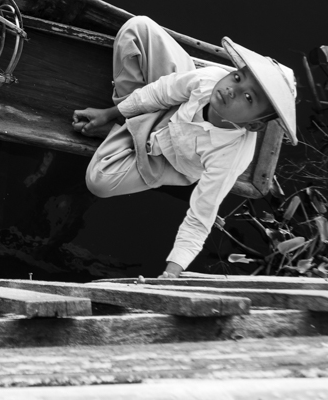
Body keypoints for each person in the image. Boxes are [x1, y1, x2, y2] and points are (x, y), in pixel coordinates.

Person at [72, 16, 297, 278]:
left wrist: (172, 271)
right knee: (138, 27)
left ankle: (127, 129)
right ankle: (126, 122)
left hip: (170, 159)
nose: (231, 89)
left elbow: (201, 217)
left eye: (248, 97)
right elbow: (160, 92)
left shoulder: (229, 156)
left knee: (99, 182)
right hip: (172, 107)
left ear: (254, 125)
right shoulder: (210, 79)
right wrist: (110, 113)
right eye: (237, 77)